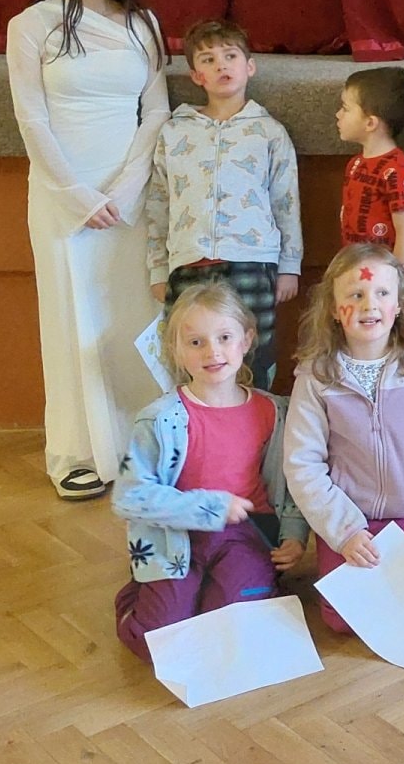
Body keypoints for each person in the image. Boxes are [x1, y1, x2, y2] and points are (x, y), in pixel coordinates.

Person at [6, 0, 169, 500]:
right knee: (70, 315)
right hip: (61, 195)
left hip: (130, 192)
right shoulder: (32, 25)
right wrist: (77, 195)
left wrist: (125, 189)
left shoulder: (143, 23)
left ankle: (146, 445)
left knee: (133, 312)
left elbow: (155, 112)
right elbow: (31, 118)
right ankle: (77, 450)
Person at [111, 282, 307, 661]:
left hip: (249, 534)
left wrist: (294, 534)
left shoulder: (274, 411)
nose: (212, 351)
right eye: (196, 342)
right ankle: (139, 596)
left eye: (224, 337)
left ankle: (236, 586)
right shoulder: (159, 419)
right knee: (158, 642)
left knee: (234, 629)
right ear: (176, 351)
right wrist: (210, 507)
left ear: (246, 340)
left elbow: (292, 481)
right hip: (175, 536)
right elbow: (128, 496)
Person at [283, 244, 404, 635]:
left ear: (398, 304)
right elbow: (301, 462)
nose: (369, 304)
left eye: (382, 293)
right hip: (350, 515)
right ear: (334, 309)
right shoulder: (316, 377)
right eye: (355, 294)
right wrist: (343, 531)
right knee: (343, 621)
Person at [146, 20, 302, 387]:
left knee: (253, 355)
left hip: (252, 260)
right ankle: (200, 422)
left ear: (250, 66)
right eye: (208, 59)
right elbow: (159, 202)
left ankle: (257, 419)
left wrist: (290, 265)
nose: (221, 65)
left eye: (230, 56)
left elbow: (286, 200)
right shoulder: (175, 131)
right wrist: (158, 268)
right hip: (188, 263)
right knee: (191, 357)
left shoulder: (268, 132)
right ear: (196, 75)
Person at [336, 65, 404, 290]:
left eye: (345, 108)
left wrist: (394, 282)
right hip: (358, 274)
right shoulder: (355, 164)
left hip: (389, 285)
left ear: (370, 123)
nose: (338, 115)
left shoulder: (396, 171)